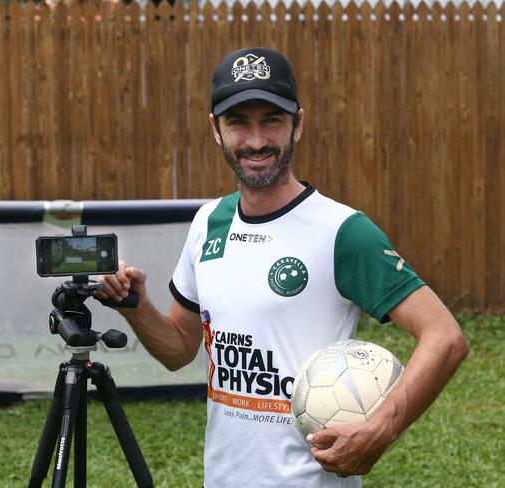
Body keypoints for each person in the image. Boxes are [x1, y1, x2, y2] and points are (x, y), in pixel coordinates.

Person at [94, 47, 469, 487]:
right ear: (216, 129)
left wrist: (381, 429)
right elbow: (179, 348)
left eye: (271, 119)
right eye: (239, 122)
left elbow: (445, 337)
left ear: (298, 125)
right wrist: (135, 305)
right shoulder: (207, 223)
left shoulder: (342, 231)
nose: (256, 141)